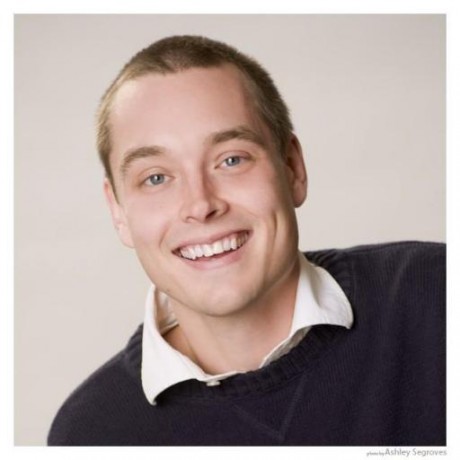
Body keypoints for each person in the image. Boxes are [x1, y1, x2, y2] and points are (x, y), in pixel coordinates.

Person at [47, 35, 445, 446]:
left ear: (292, 168)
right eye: (156, 178)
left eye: (231, 160)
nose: (201, 204)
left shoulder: (438, 296)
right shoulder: (91, 434)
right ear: (118, 211)